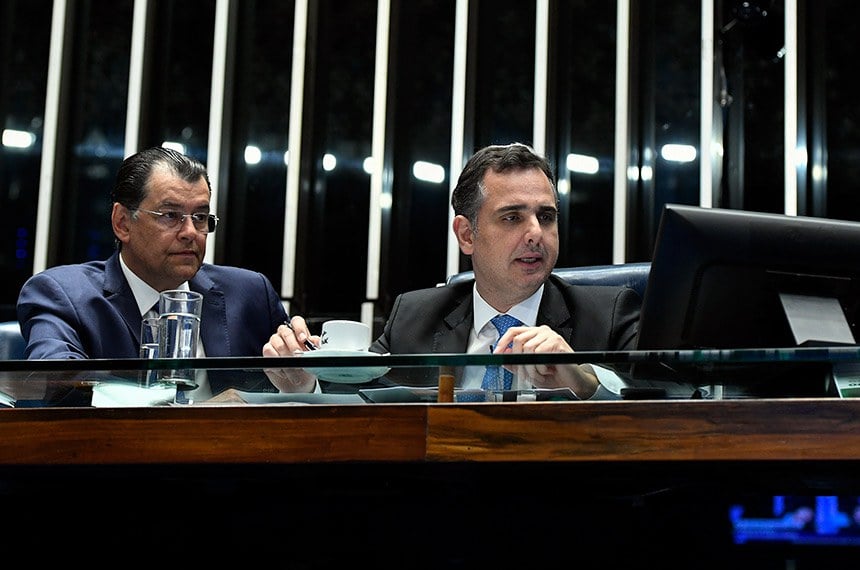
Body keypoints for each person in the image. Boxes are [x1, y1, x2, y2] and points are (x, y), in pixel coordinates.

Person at [266, 142, 641, 399]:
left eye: (546, 216)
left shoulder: (608, 314)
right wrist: (303, 383)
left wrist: (587, 381)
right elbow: (360, 403)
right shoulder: (415, 316)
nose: (535, 234)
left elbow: (674, 394)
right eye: (512, 217)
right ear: (466, 235)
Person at [17, 146, 316, 395]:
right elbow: (57, 386)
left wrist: (304, 383)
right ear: (122, 222)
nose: (190, 232)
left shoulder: (250, 294)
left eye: (200, 217)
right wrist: (196, 419)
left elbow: (325, 391)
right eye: (170, 215)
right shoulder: (62, 295)